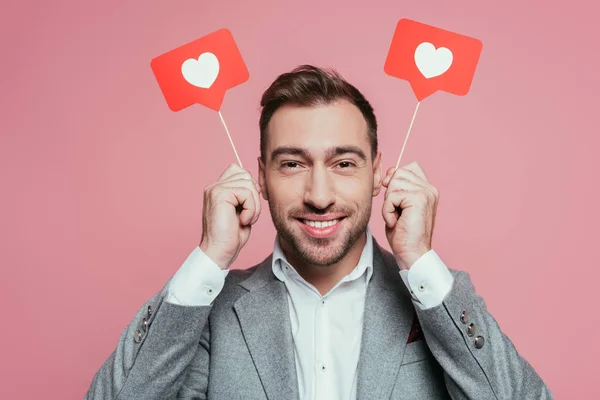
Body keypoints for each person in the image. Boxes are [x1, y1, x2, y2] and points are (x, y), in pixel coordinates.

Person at [85, 65, 552, 400]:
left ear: (377, 175)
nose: (320, 194)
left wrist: (420, 262)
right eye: (292, 164)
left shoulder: (435, 300)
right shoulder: (213, 311)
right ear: (261, 179)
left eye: (344, 163)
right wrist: (209, 258)